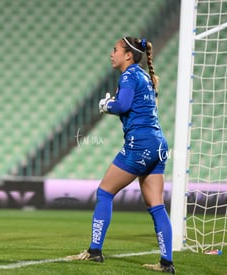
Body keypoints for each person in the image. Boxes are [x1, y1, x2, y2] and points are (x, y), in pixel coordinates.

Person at [66, 36, 175, 274]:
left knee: (105, 192)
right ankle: (166, 263)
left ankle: (94, 251)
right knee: (156, 205)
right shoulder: (145, 76)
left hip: (140, 144)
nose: (111, 53)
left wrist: (107, 105)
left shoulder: (128, 76)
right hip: (158, 145)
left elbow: (123, 105)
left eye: (114, 50)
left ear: (128, 55)